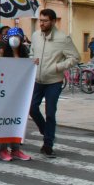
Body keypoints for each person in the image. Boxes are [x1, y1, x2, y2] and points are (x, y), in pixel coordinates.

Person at [30, 9, 80, 158]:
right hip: (37, 79)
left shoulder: (63, 38)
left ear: (52, 21)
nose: (42, 23)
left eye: (45, 21)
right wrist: (32, 58)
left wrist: (58, 67)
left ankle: (48, 145)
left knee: (50, 112)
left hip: (54, 81)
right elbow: (32, 51)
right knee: (32, 108)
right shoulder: (35, 36)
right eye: (40, 20)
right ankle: (46, 131)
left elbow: (75, 57)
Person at [0, 27, 32, 162]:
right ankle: (3, 150)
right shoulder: (3, 52)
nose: (14, 39)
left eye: (17, 36)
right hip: (5, 92)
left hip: (20, 92)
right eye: (11, 36)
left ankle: (15, 149)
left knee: (17, 120)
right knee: (5, 120)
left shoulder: (24, 53)